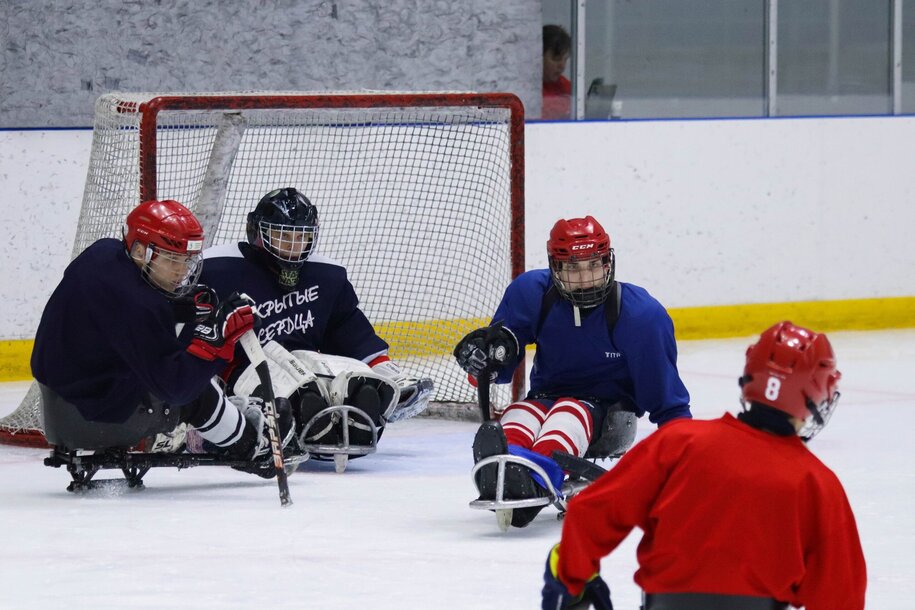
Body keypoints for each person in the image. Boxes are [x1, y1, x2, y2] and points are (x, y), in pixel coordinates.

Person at [541, 321, 867, 610]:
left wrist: (573, 579)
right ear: (817, 396)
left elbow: (590, 514)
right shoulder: (818, 483)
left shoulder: (678, 442)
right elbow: (840, 596)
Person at [454, 215, 691, 527]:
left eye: (594, 265)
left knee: (567, 412)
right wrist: (480, 364)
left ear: (608, 264)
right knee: (520, 413)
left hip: (609, 415)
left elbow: (668, 401)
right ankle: (503, 468)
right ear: (555, 268)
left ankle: (537, 476)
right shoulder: (531, 293)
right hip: (545, 398)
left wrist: (686, 463)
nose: (585, 278)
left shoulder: (641, 316)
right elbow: (498, 367)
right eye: (573, 269)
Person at [31, 199, 291, 477]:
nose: (181, 271)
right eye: (172, 260)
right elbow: (177, 389)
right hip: (95, 417)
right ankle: (252, 445)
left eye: (186, 261)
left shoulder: (104, 253)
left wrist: (176, 306)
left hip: (66, 402)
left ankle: (225, 423)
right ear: (141, 251)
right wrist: (216, 339)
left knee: (181, 360)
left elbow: (115, 313)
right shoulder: (137, 305)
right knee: (196, 388)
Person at [199, 187, 419, 456]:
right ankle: (305, 420)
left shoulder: (326, 275)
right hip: (244, 372)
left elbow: (347, 328)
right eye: (282, 236)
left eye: (302, 237)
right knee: (301, 392)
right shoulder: (218, 270)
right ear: (257, 233)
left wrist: (384, 371)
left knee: (355, 386)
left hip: (306, 364)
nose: (293, 247)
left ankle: (344, 423)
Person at [542, 24, 572, 120]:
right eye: (556, 59)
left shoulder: (567, 87)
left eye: (565, 59)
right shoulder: (527, 90)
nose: (562, 66)